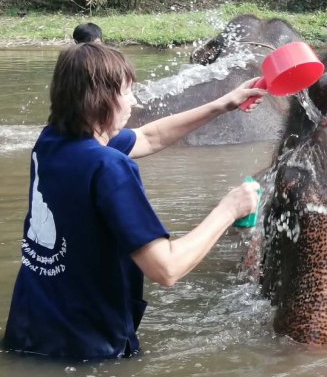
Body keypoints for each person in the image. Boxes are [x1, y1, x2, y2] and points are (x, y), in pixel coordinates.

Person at [3, 42, 268, 360]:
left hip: (28, 329)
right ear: (100, 100)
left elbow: (149, 137)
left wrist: (223, 104)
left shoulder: (50, 141)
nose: (134, 101)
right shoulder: (109, 167)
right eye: (127, 92)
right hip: (87, 350)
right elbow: (166, 268)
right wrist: (228, 209)